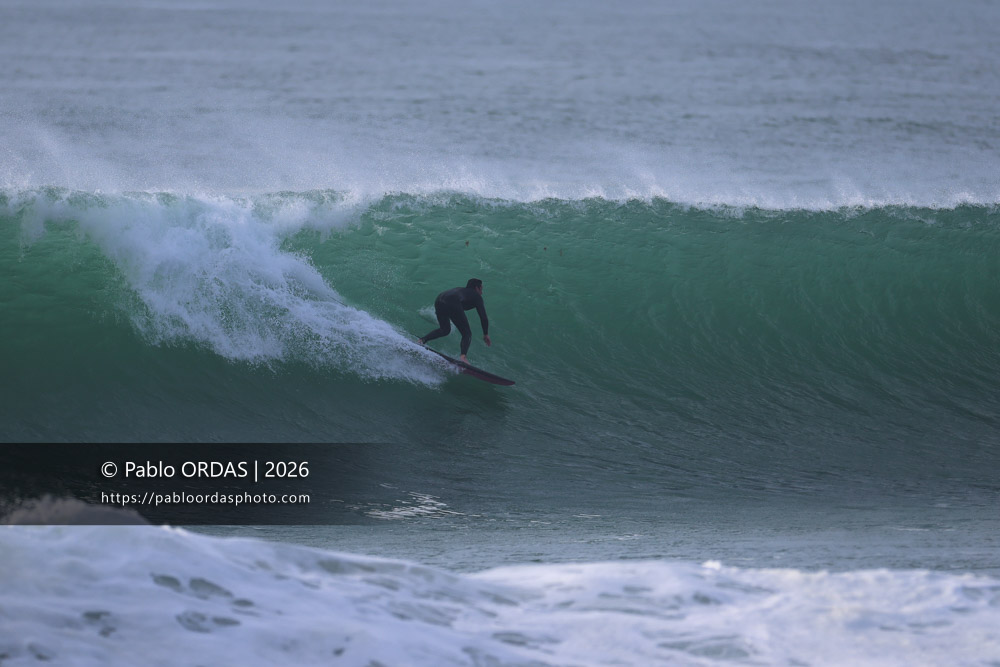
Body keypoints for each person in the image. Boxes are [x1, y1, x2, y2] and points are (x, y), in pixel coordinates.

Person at [417, 278, 492, 362]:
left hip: (439, 299)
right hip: (452, 302)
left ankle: (421, 340)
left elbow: (452, 305)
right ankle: (463, 357)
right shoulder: (476, 296)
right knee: (467, 333)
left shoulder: (460, 290)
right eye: (481, 289)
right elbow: (483, 317)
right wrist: (486, 334)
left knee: (445, 330)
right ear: (476, 288)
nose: (482, 292)